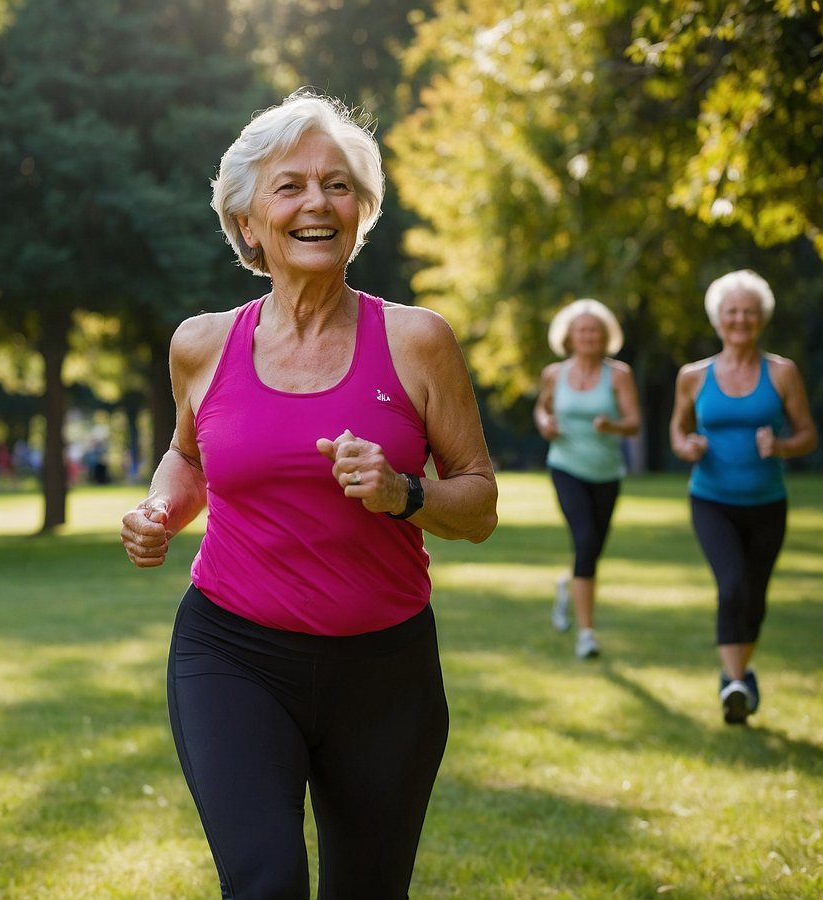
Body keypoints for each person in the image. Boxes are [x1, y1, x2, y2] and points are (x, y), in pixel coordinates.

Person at [119, 90, 498, 899]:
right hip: (233, 654)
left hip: (385, 671)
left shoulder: (417, 341)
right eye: (289, 186)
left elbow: (480, 503)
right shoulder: (201, 343)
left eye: (337, 185)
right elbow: (186, 460)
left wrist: (403, 492)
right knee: (266, 882)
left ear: (360, 212)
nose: (316, 203)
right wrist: (159, 510)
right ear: (249, 222)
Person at [669, 269, 817, 725]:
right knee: (731, 584)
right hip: (712, 498)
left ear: (761, 319)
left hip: (768, 502)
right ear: (718, 318)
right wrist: (687, 445)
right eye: (732, 311)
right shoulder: (694, 376)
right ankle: (734, 682)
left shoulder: (783, 372)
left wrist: (784, 446)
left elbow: (808, 433)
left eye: (749, 312)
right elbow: (679, 428)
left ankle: (738, 676)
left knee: (754, 596)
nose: (741, 319)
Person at [533, 299, 640, 659]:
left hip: (606, 472)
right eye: (582, 330)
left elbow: (634, 422)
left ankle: (567, 587)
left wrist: (611, 426)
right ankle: (587, 634)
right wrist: (545, 423)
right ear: (570, 337)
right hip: (565, 466)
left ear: (605, 336)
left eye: (595, 331)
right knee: (586, 538)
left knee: (590, 551)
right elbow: (542, 407)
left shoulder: (619, 374)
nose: (589, 336)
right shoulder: (554, 374)